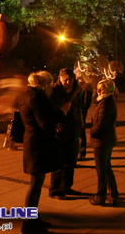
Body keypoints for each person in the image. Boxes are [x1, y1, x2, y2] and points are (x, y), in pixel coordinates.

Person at [20, 72, 65, 233]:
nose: (51, 87)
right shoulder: (37, 97)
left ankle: (33, 218)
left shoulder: (27, 94)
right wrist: (60, 114)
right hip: (37, 145)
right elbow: (44, 122)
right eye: (50, 84)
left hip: (33, 142)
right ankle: (28, 223)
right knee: (35, 184)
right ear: (44, 83)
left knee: (36, 184)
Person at [49, 68, 82, 199]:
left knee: (71, 160)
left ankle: (67, 186)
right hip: (60, 131)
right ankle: (55, 189)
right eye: (66, 79)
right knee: (59, 161)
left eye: (71, 79)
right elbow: (49, 110)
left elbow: (79, 107)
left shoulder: (76, 89)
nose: (69, 82)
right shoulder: (53, 92)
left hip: (73, 128)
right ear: (59, 78)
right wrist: (54, 123)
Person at [89, 79, 119, 206]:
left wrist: (92, 132)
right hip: (106, 139)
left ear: (109, 89)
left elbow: (101, 123)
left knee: (101, 169)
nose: (99, 90)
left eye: (102, 88)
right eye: (98, 88)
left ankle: (100, 196)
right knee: (106, 167)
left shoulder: (105, 103)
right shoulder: (106, 101)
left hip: (102, 140)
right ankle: (113, 193)